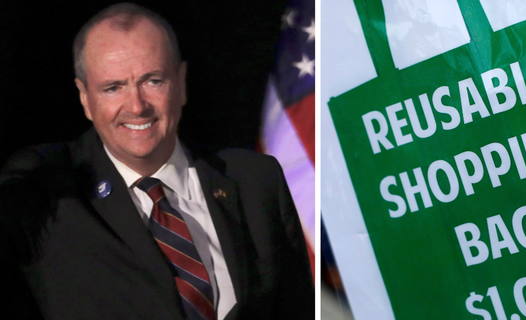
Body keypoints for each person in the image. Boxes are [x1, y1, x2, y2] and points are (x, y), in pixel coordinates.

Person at [0, 3, 313, 320]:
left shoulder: (256, 180)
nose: (136, 106)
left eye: (153, 81)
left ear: (181, 82)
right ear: (85, 98)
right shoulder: (47, 189)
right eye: (113, 87)